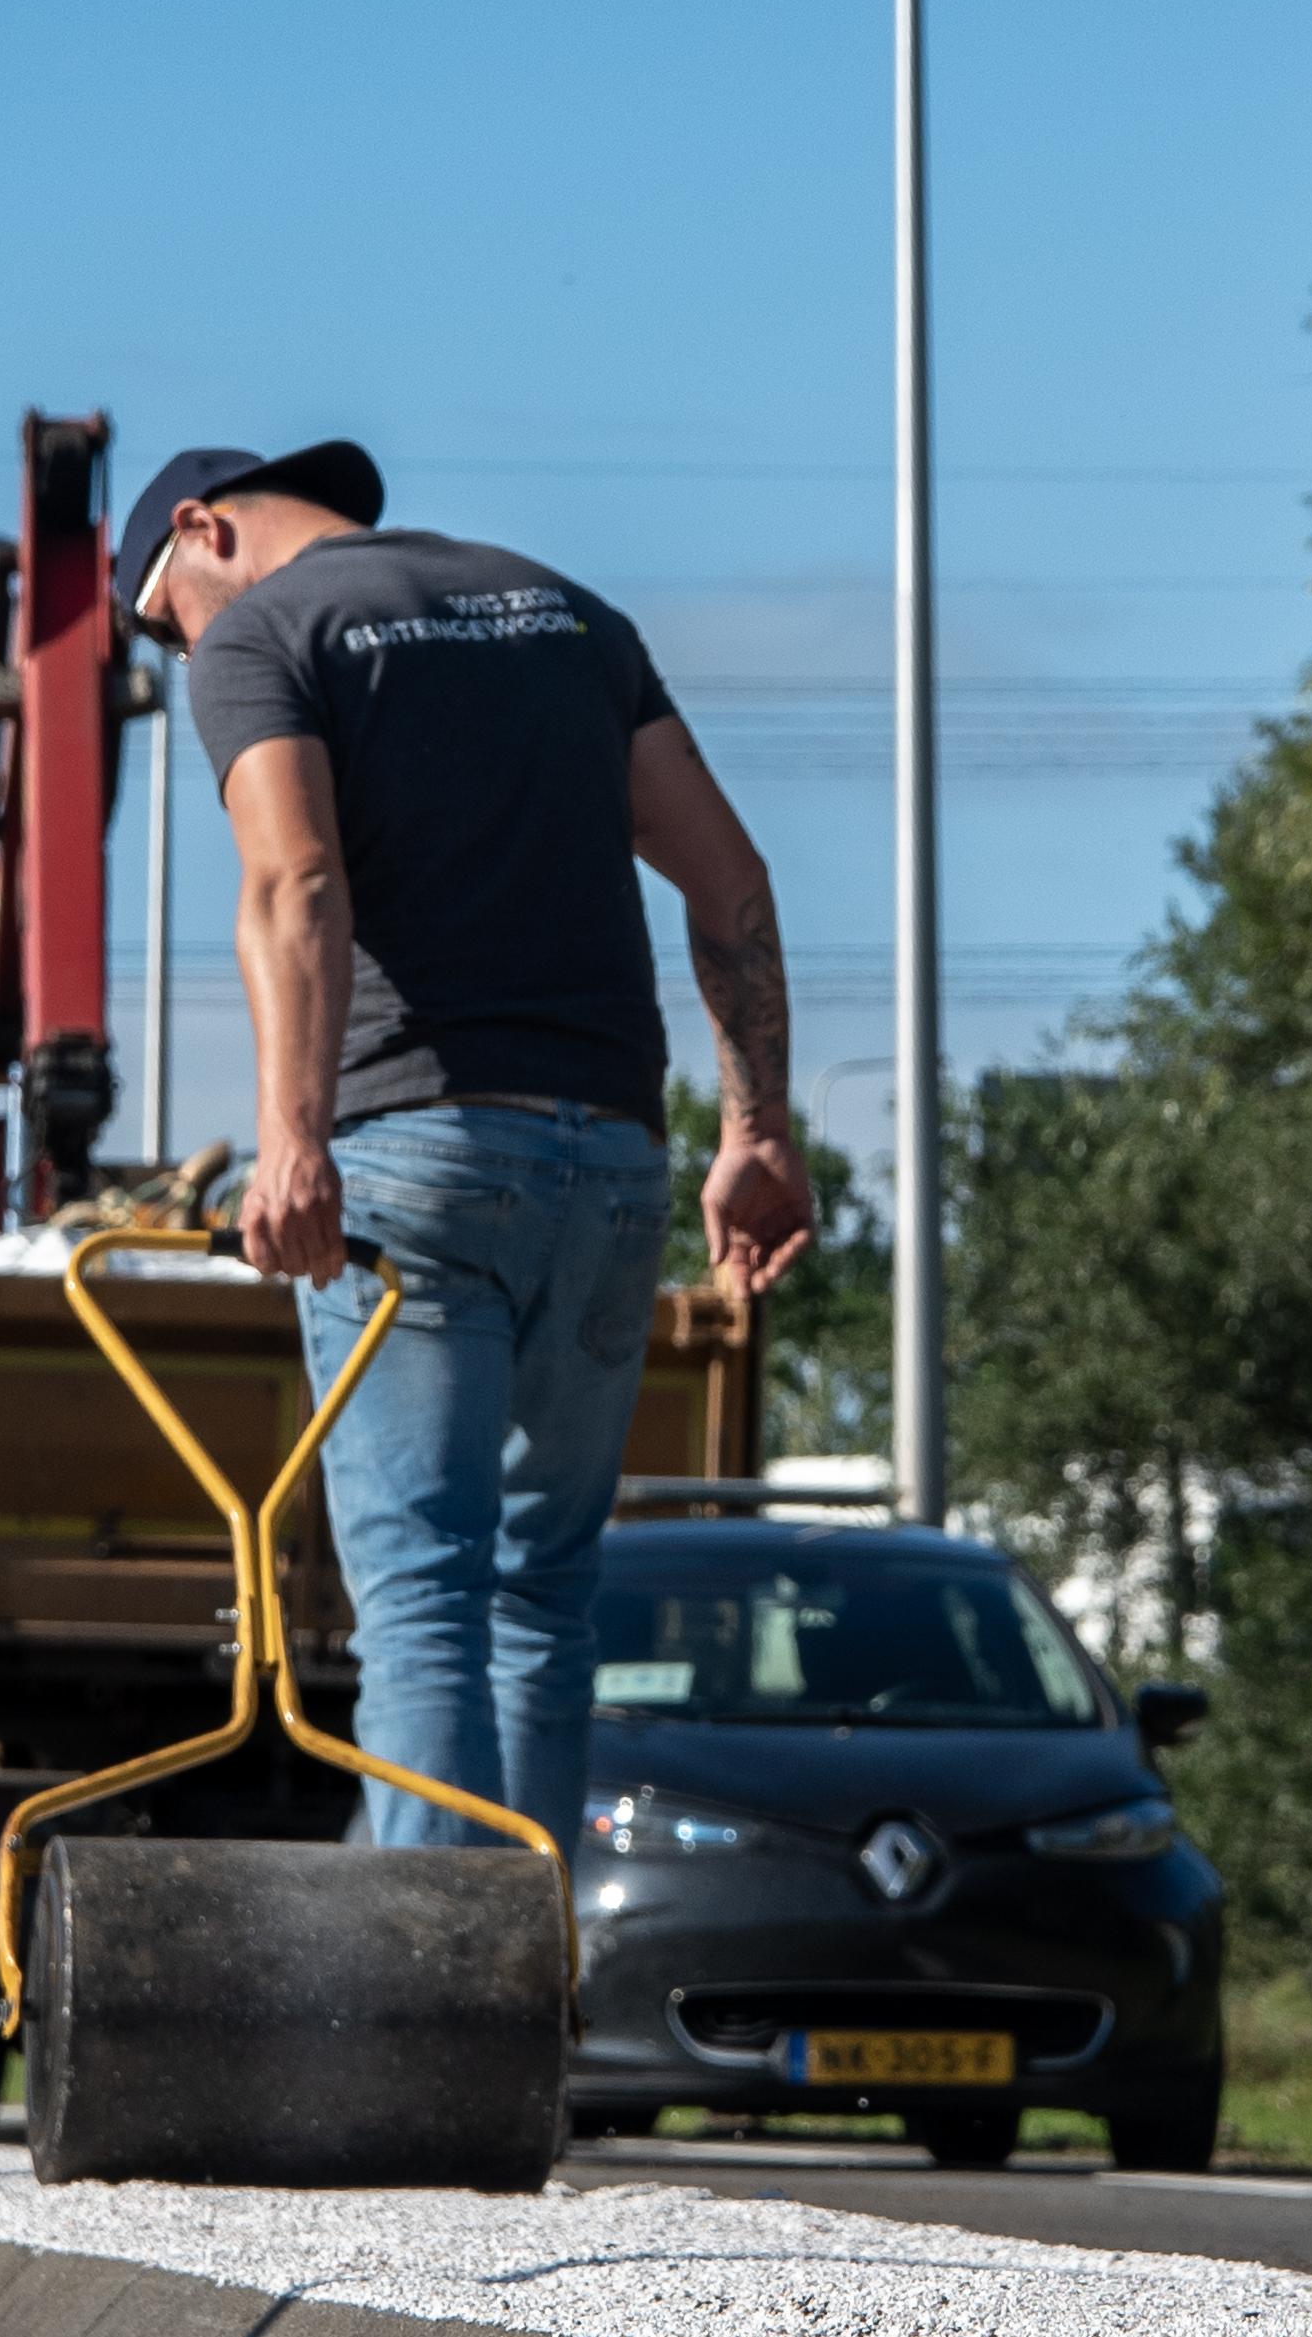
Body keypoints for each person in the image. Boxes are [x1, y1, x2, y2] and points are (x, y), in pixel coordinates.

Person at [131, 439, 814, 1856]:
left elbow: (295, 877)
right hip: (613, 1169)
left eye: (160, 616)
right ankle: (523, 1999)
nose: (171, 652)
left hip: (416, 1165)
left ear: (205, 531)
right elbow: (732, 881)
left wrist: (291, 1144)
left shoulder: (261, 634)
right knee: (542, 1599)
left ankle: (423, 2024)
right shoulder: (569, 614)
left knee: (424, 1596)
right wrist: (758, 1132)